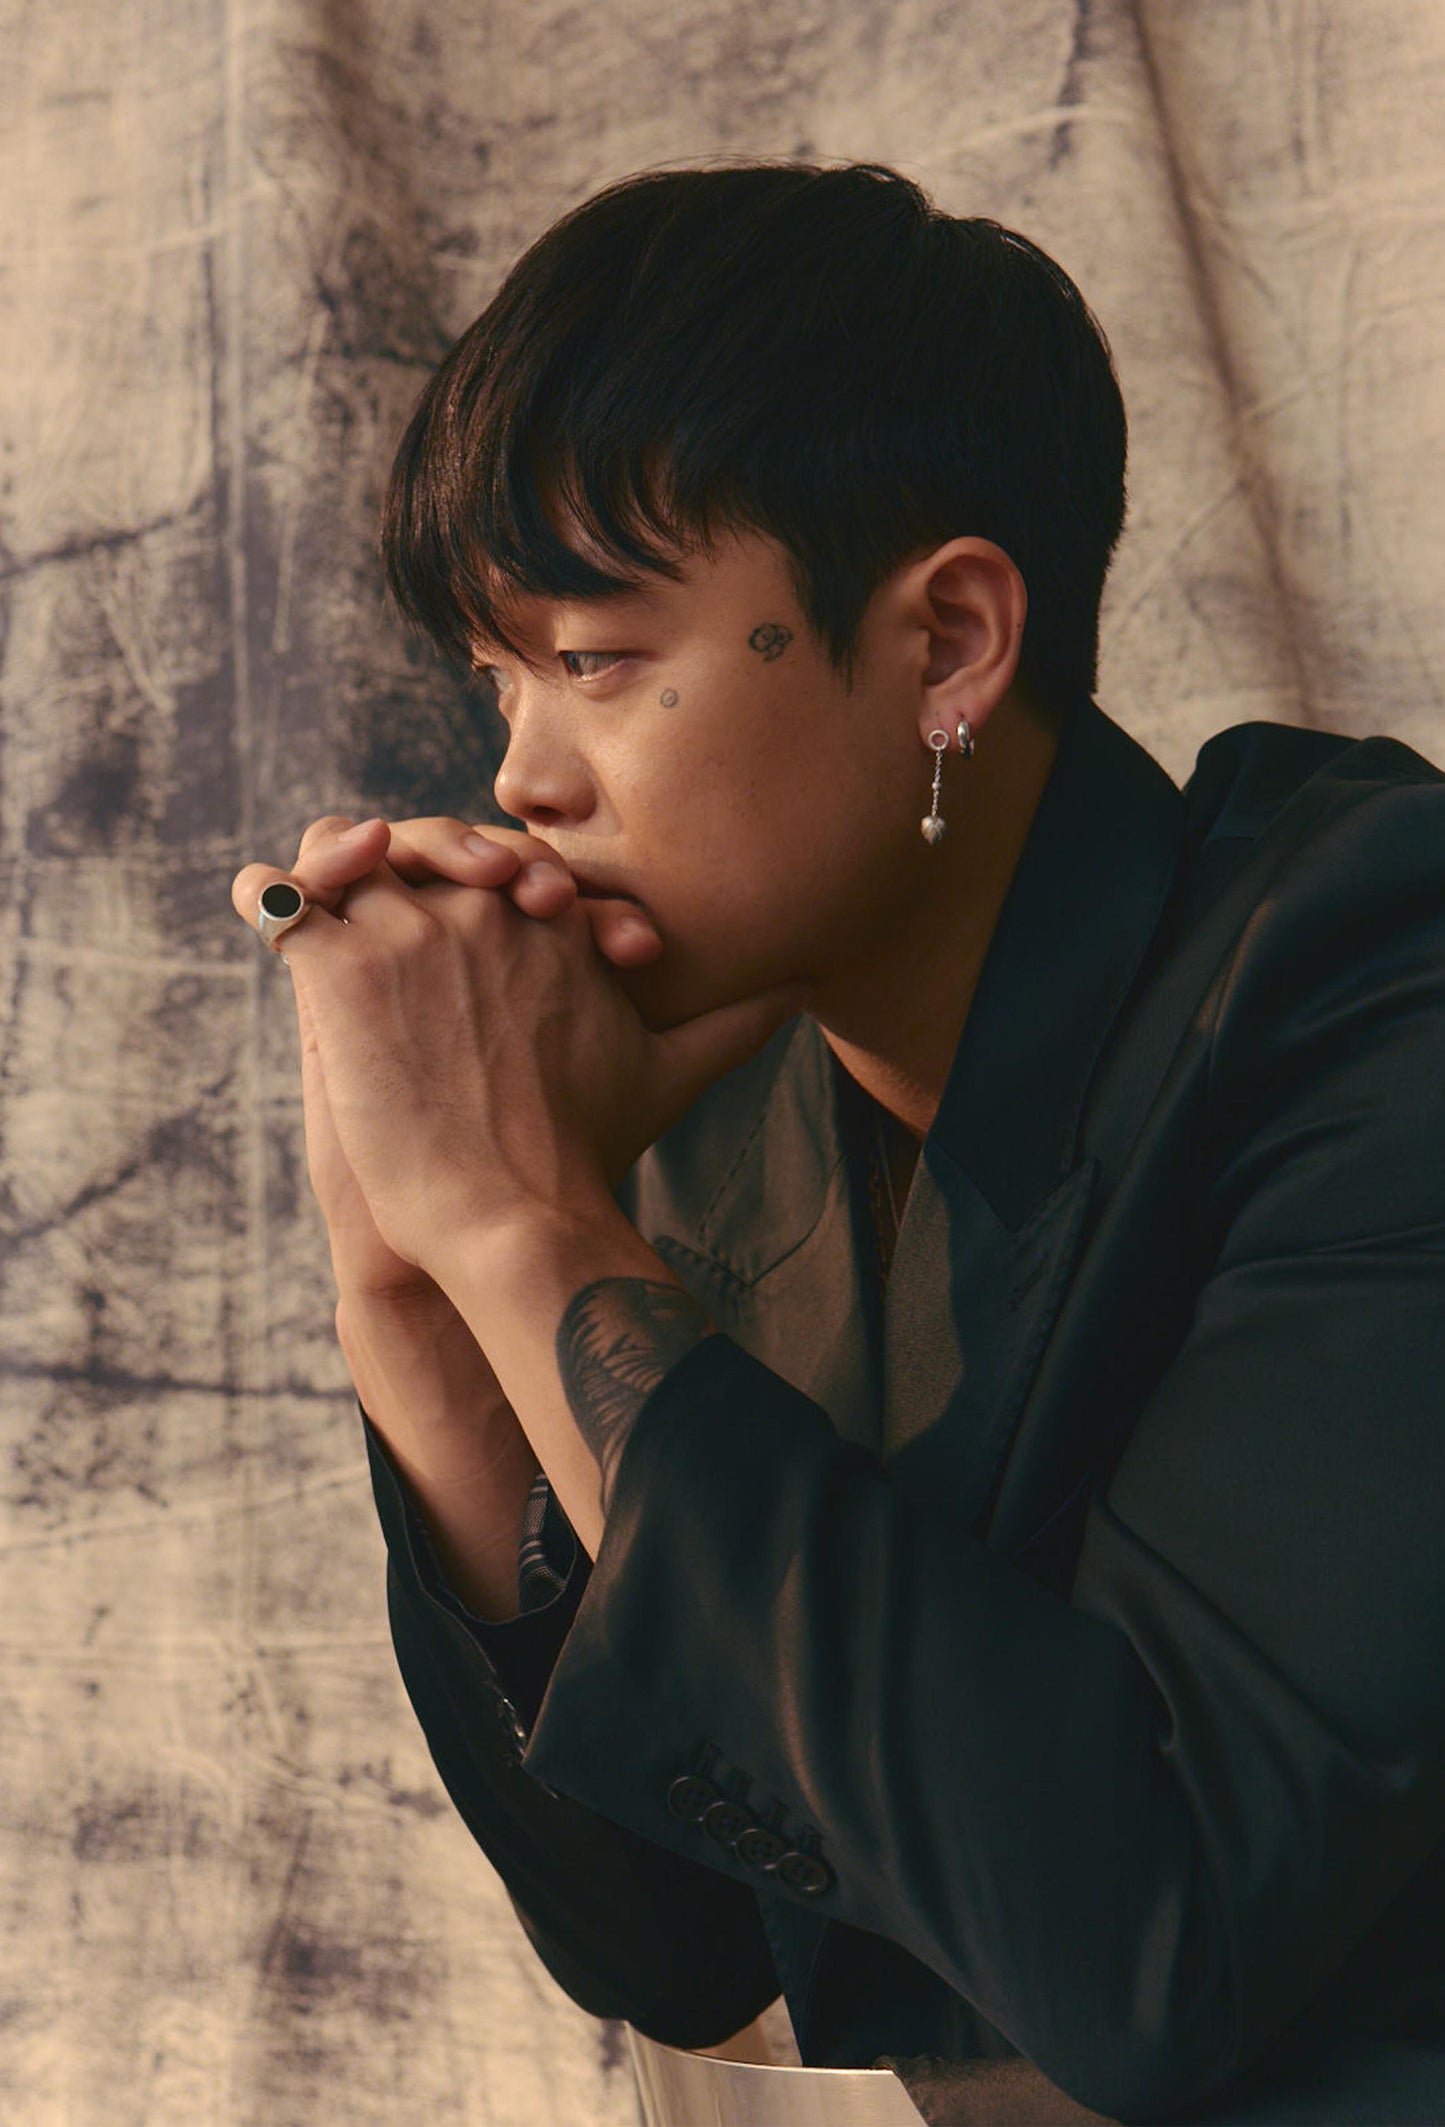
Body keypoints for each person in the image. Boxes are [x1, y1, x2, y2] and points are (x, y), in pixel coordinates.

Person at [231, 162, 1445, 2124]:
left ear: (949, 641)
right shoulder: (736, 1124)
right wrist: (418, 1290)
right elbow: (687, 1956)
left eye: (594, 657)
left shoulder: (1377, 983)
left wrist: (525, 1225)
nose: (522, 777)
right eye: (498, 676)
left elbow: (1152, 1942)